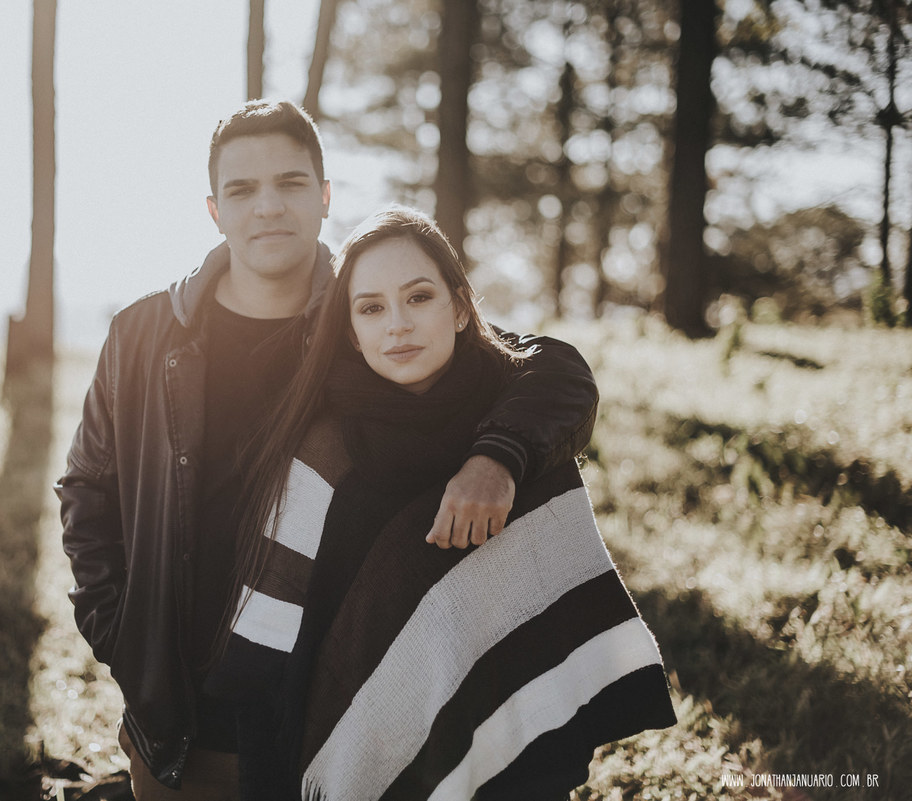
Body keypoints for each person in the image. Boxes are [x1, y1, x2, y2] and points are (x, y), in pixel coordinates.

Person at [56, 100, 600, 800]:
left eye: (289, 183)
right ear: (214, 210)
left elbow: (545, 368)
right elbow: (87, 488)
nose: (267, 208)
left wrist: (496, 456)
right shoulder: (142, 335)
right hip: (178, 714)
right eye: (242, 190)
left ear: (325, 195)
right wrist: (121, 634)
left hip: (330, 709)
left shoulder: (370, 309)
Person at [209, 207, 676, 800]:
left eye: (419, 297)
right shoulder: (326, 459)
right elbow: (268, 663)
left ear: (459, 309)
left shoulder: (515, 410)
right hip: (360, 758)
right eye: (372, 307)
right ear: (352, 332)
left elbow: (560, 367)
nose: (397, 325)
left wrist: (496, 459)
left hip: (525, 753)